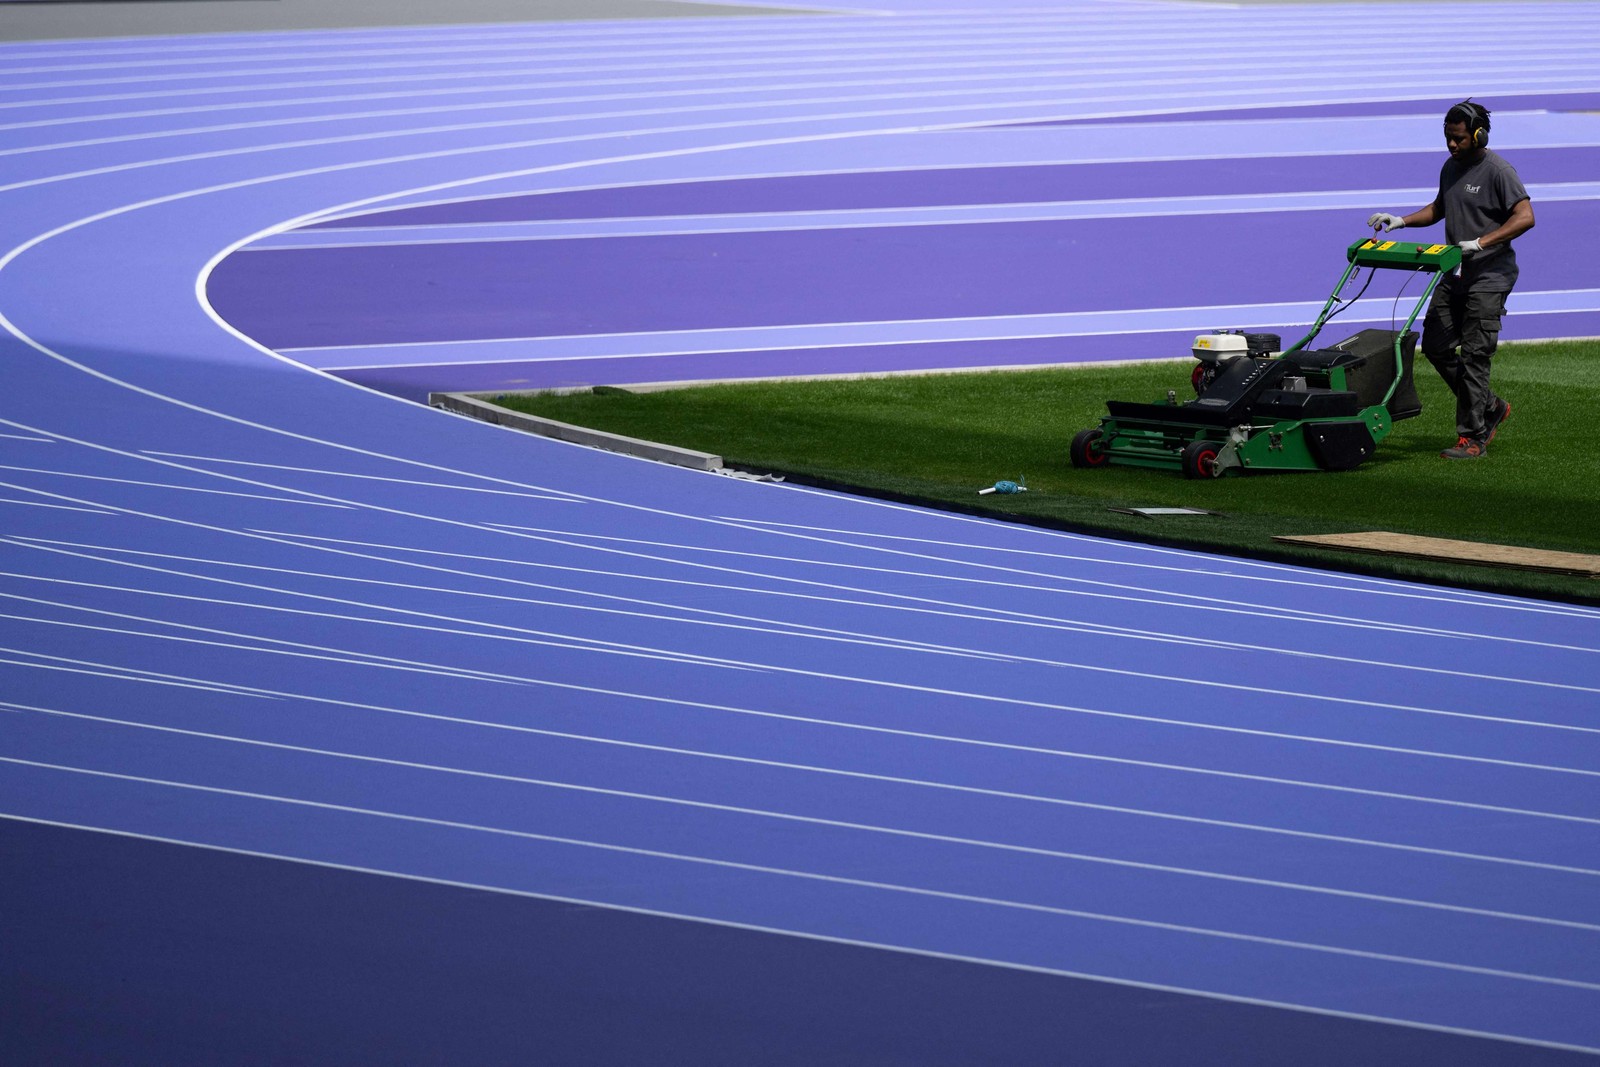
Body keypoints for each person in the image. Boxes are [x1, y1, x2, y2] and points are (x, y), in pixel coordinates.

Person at [1367, 99, 1535, 459]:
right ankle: (1489, 406)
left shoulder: (1498, 171)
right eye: (1448, 138)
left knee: (1475, 356)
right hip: (1453, 273)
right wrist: (1401, 221)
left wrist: (1481, 242)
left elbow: (1525, 217)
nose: (1452, 145)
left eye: (1459, 139)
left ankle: (1473, 438)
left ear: (1478, 135)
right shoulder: (1451, 167)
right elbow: (1439, 208)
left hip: (1489, 277)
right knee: (1437, 347)